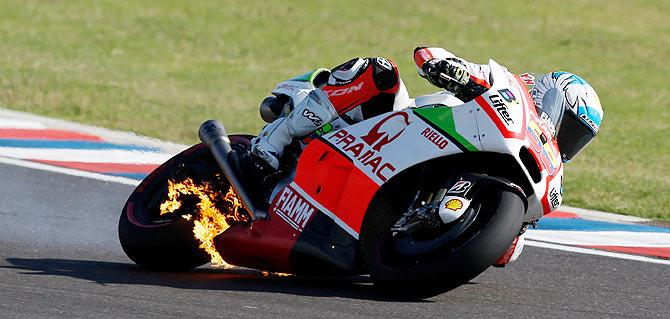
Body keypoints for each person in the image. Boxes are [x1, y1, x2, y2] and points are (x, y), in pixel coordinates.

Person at [249, 47, 604, 170]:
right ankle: (275, 140)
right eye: (572, 129)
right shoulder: (504, 85)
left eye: (579, 140)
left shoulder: (537, 168)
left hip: (413, 169)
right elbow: (427, 55)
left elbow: (506, 254)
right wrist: (447, 68)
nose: (570, 143)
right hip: (390, 130)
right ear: (552, 99)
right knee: (380, 70)